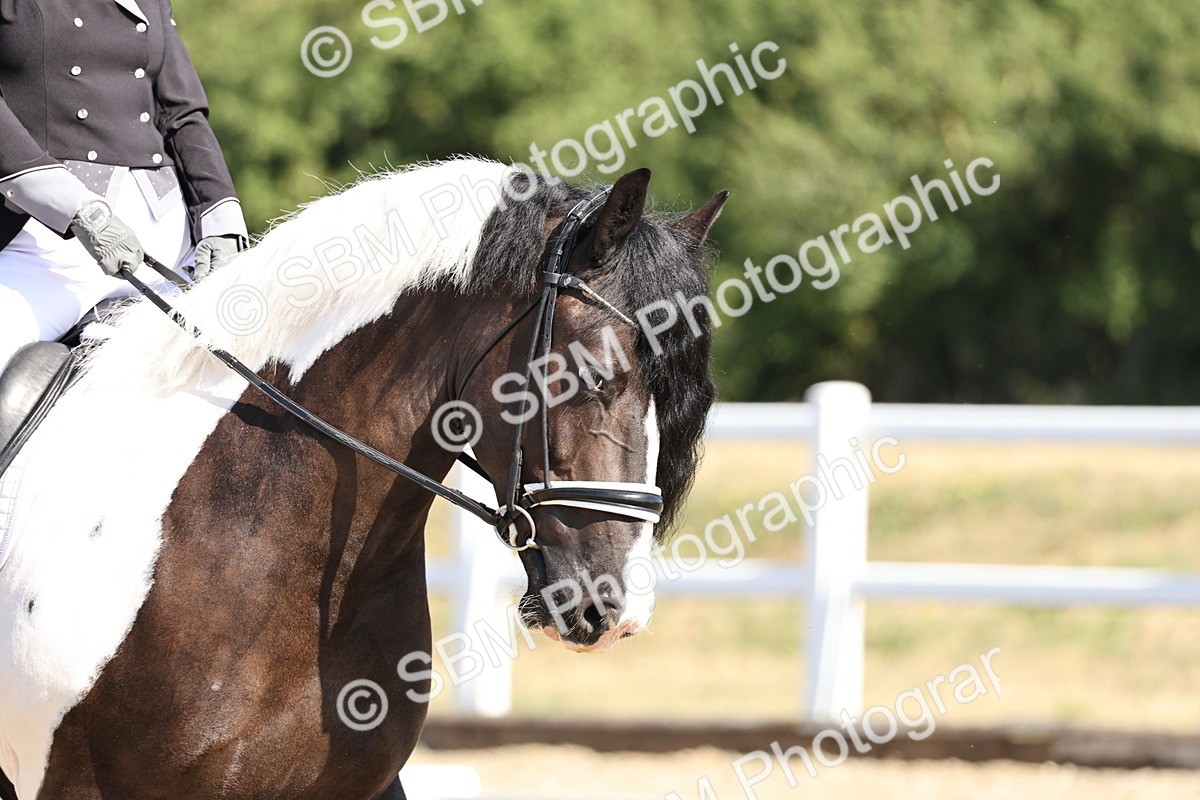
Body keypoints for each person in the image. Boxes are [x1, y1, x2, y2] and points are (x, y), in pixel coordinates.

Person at [0, 0, 248, 375]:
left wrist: (221, 222)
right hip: (49, 248)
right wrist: (80, 211)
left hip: (168, 243)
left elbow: (182, 113)